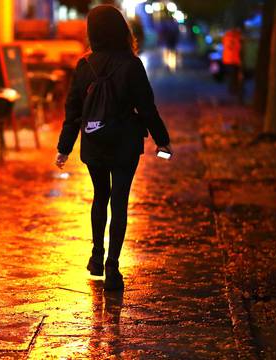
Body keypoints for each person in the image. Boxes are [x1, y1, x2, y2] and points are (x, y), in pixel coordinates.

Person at [55, 5, 171, 291]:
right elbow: (146, 108)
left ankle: (96, 257)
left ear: (92, 32)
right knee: (119, 202)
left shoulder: (84, 66)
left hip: (94, 141)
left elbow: (74, 111)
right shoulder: (132, 65)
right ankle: (113, 268)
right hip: (125, 143)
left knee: (99, 197)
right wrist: (162, 140)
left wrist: (64, 147)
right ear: (122, 30)